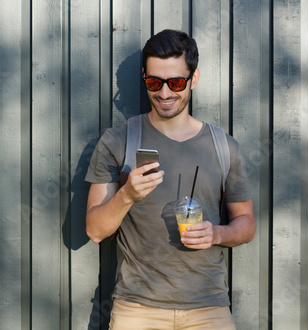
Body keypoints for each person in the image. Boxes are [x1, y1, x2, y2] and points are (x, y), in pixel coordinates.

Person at [85, 29, 256, 329]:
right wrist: (127, 195)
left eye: (176, 82)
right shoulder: (118, 141)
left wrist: (216, 234)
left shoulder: (223, 146)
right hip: (137, 309)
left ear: (194, 78)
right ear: (144, 77)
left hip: (209, 309)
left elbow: (247, 223)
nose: (164, 93)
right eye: (154, 82)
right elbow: (95, 231)